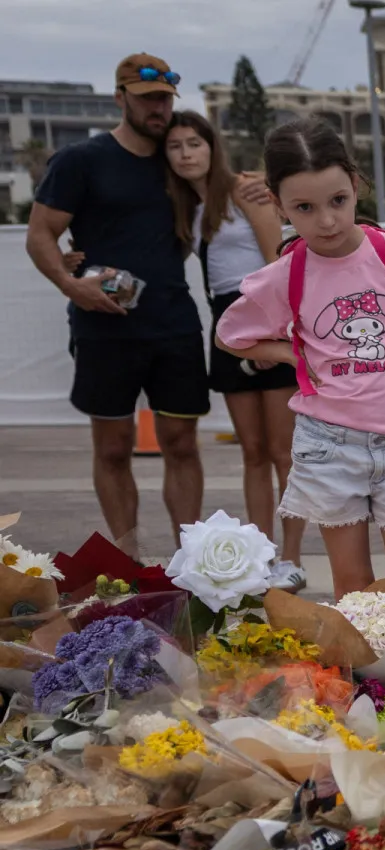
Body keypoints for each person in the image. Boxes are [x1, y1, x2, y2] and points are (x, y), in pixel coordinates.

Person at [214, 119, 385, 596]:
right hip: (329, 446)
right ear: (279, 206)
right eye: (304, 208)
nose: (326, 221)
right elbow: (230, 335)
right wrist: (293, 353)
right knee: (353, 586)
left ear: (356, 186)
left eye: (337, 201)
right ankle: (359, 672)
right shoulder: (285, 274)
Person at [25, 54, 209, 558]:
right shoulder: (82, 159)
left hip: (173, 322)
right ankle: (127, 565)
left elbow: (225, 188)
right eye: (148, 98)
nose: (159, 108)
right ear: (119, 97)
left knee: (182, 444)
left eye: (166, 99)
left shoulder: (179, 157)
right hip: (104, 326)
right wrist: (70, 284)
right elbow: (40, 234)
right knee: (111, 449)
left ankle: (190, 563)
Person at [161, 109, 308, 591]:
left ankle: (290, 557)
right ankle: (260, 555)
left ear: (212, 146)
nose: (186, 154)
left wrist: (274, 333)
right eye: (175, 146)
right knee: (251, 451)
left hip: (264, 315)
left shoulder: (246, 191)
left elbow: (277, 263)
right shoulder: (187, 205)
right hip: (226, 324)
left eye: (194, 144)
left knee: (283, 452)